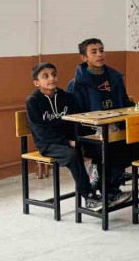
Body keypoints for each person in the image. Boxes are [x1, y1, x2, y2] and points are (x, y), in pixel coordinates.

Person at [67, 38, 139, 204]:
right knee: (109, 151)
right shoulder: (77, 84)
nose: (100, 54)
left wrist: (136, 110)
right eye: (94, 52)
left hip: (117, 129)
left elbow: (125, 103)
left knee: (138, 148)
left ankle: (102, 179)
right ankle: (110, 191)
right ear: (83, 58)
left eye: (101, 50)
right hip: (91, 134)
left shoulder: (114, 77)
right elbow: (76, 116)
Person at [25, 63, 106, 210]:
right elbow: (40, 132)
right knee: (73, 155)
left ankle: (100, 186)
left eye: (54, 74)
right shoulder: (33, 101)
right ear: (37, 83)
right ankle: (89, 196)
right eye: (46, 76)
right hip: (49, 144)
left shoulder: (66, 97)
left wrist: (87, 135)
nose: (52, 78)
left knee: (101, 147)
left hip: (71, 140)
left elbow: (77, 121)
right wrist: (68, 142)